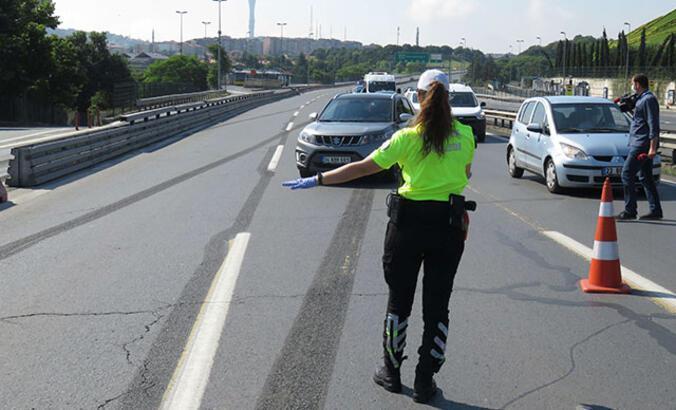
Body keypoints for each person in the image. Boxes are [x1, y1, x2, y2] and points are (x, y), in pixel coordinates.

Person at [283, 69, 475, 403]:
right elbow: (465, 173)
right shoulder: (465, 135)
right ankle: (426, 380)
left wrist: (318, 180)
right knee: (438, 306)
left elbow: (363, 167)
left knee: (399, 302)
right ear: (448, 97)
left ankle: (391, 372)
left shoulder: (406, 138)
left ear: (417, 97)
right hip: (449, 226)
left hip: (408, 225)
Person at [616, 74, 663, 220]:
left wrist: (652, 148)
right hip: (638, 142)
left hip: (642, 144)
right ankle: (656, 211)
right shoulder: (641, 99)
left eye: (632, 84)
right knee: (646, 177)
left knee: (627, 173)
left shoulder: (648, 99)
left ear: (637, 84)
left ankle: (630, 210)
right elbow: (639, 119)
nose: (632, 87)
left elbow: (653, 124)